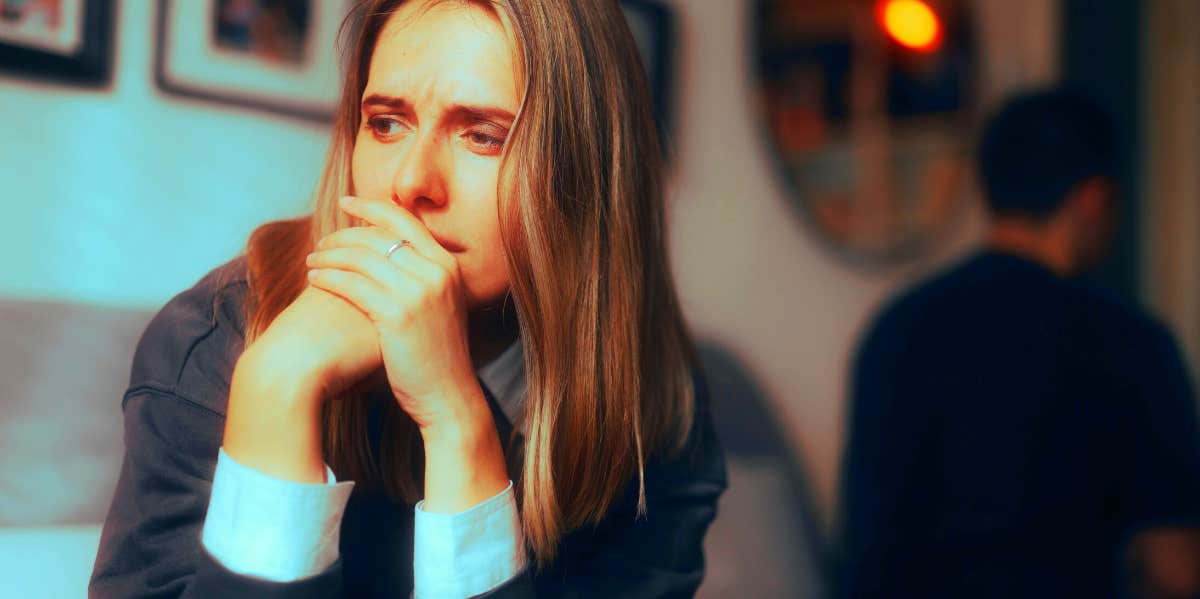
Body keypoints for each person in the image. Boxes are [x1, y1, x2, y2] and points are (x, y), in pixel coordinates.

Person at [88, 1, 727, 597]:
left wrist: (456, 419)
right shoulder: (215, 334)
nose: (410, 183)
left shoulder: (661, 404)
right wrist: (275, 389)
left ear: (585, 173)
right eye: (386, 123)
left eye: (483, 135)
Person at [838, 89, 1200, 598]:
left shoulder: (897, 326)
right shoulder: (1132, 342)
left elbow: (865, 545)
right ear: (1095, 198)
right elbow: (1177, 569)